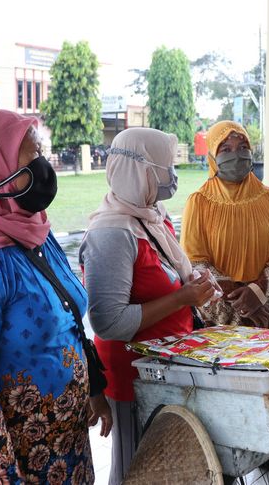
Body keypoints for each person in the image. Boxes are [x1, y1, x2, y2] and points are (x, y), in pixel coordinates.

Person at [0, 109, 111, 484]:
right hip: (12, 462)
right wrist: (4, 476)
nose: (43, 165)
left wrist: (94, 387)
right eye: (31, 157)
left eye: (40, 151)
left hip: (64, 446)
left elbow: (69, 318)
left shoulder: (35, 231)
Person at [79, 127, 217, 485]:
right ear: (140, 171)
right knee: (137, 469)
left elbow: (169, 274)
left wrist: (194, 283)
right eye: (165, 166)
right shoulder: (112, 233)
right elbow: (108, 323)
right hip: (133, 375)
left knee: (167, 466)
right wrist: (182, 298)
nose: (171, 176)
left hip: (164, 366)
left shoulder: (150, 217)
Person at [180, 120, 269, 329]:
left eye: (243, 148)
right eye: (226, 149)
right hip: (219, 313)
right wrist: (243, 301)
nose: (236, 154)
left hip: (268, 308)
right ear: (213, 157)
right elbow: (195, 263)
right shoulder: (199, 202)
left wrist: (257, 292)